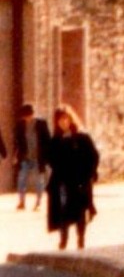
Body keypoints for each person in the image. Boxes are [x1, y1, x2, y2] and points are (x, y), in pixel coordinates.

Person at [42, 106, 97, 251]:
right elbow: (50, 158)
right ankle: (63, 239)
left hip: (80, 180)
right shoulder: (55, 140)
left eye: (66, 119)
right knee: (63, 210)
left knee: (80, 211)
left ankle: (81, 238)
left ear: (70, 119)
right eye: (60, 120)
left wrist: (89, 173)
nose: (63, 122)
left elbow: (93, 156)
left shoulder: (81, 138)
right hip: (62, 181)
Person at [9, 102, 35, 210]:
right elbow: (17, 142)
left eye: (29, 116)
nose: (27, 118)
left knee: (38, 180)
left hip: (36, 156)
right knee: (22, 179)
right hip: (24, 156)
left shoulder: (39, 124)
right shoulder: (19, 125)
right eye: (25, 116)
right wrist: (15, 155)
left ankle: (38, 201)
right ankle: (22, 201)